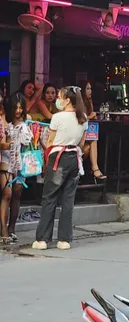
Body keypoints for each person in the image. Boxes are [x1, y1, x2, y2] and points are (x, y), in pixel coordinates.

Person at [32, 86, 88, 251]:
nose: (58, 99)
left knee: (49, 197)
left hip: (58, 157)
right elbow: (82, 143)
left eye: (60, 97)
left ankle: (43, 239)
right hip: (74, 157)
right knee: (68, 199)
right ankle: (64, 239)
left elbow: (50, 141)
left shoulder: (57, 117)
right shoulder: (83, 117)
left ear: (67, 100)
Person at [0, 93, 32, 244]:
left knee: (17, 194)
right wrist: (8, 144)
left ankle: (12, 229)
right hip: (6, 158)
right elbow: (2, 143)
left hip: (21, 160)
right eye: (16, 107)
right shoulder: (5, 121)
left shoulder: (27, 121)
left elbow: (31, 142)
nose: (18, 111)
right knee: (7, 194)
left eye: (21, 107)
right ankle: (4, 230)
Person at [81, 81, 106, 181]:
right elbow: (80, 119)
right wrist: (90, 116)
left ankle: (95, 168)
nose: (90, 91)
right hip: (78, 138)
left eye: (90, 88)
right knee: (93, 139)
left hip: (85, 136)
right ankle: (95, 169)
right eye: (87, 89)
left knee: (93, 139)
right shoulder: (79, 103)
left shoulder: (88, 101)